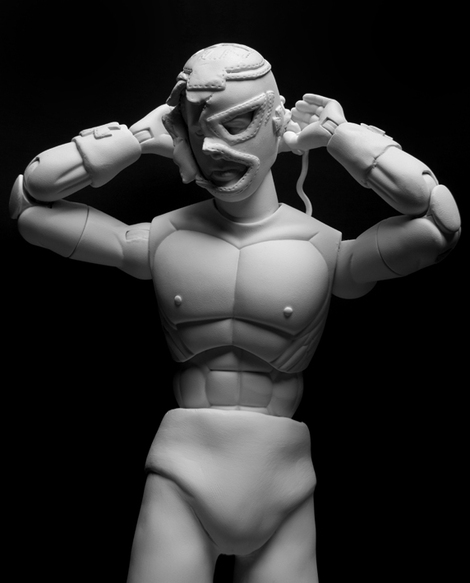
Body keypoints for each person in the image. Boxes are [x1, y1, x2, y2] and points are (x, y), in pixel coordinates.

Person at [9, 43, 460, 583]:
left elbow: (438, 223)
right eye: (196, 127)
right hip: (182, 471)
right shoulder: (163, 238)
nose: (212, 148)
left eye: (238, 122)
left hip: (282, 476)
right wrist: (131, 140)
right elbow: (29, 205)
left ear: (277, 119)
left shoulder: (323, 249)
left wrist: (342, 137)